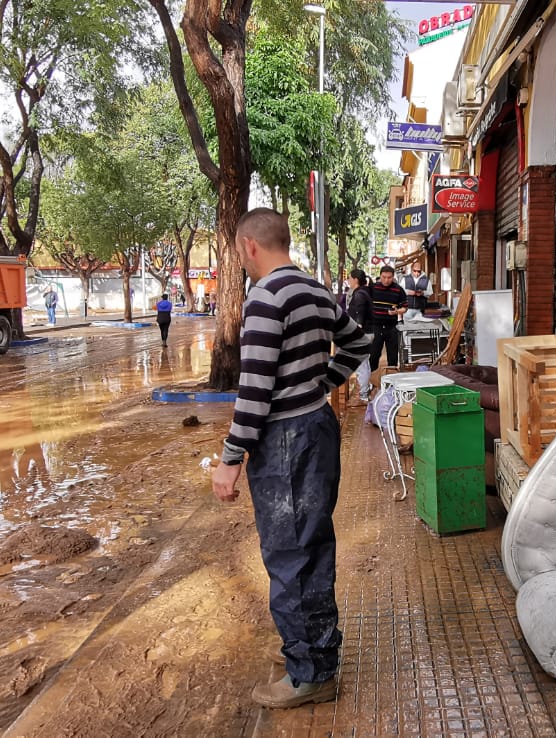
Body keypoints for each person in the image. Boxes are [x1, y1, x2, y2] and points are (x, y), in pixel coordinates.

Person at [210, 208, 370, 709]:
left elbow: (254, 393)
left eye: (238, 251)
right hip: (317, 427)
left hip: (284, 441)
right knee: (314, 544)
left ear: (250, 246)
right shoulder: (315, 289)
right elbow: (359, 342)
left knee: (288, 556)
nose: (240, 258)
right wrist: (321, 384)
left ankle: (310, 674)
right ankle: (311, 651)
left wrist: (230, 458)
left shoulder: (265, 298)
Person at [363, 266, 407, 402]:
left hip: (391, 326)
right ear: (380, 276)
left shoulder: (398, 289)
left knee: (393, 355)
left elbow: (404, 307)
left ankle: (392, 385)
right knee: (374, 354)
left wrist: (397, 312)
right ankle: (371, 382)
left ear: (393, 277)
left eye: (389, 278)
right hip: (376, 326)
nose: (386, 280)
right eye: (384, 277)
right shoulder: (373, 289)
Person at [343, 269, 374, 399]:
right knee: (363, 362)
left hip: (362, 333)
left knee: (361, 364)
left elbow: (359, 313)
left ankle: (364, 392)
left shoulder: (359, 295)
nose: (348, 281)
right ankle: (366, 387)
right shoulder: (364, 292)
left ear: (355, 279)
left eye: (349, 278)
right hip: (366, 332)